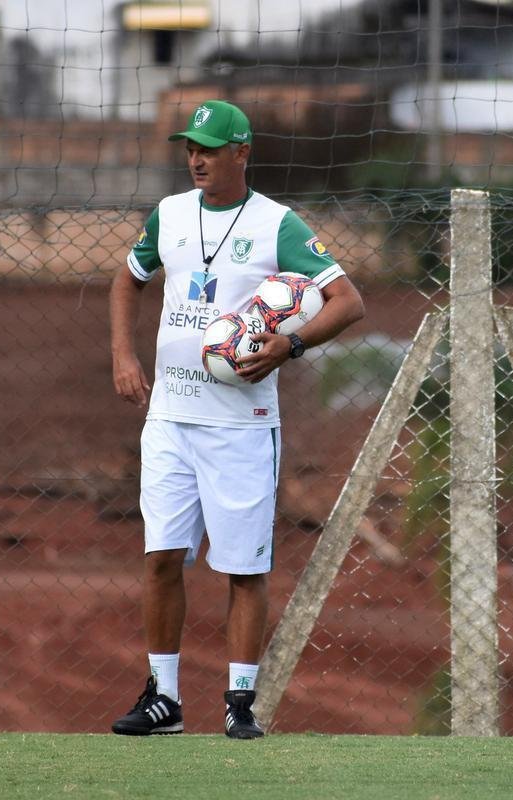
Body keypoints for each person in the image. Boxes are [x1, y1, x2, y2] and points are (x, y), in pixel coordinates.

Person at [108, 100, 365, 739]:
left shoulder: (277, 225)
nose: (196, 158)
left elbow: (348, 300)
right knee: (161, 558)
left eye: (210, 148)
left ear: (241, 152)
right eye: (190, 147)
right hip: (170, 419)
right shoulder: (168, 214)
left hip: (241, 427)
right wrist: (122, 353)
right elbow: (127, 280)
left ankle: (240, 703)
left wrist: (292, 344)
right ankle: (163, 698)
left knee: (243, 569)